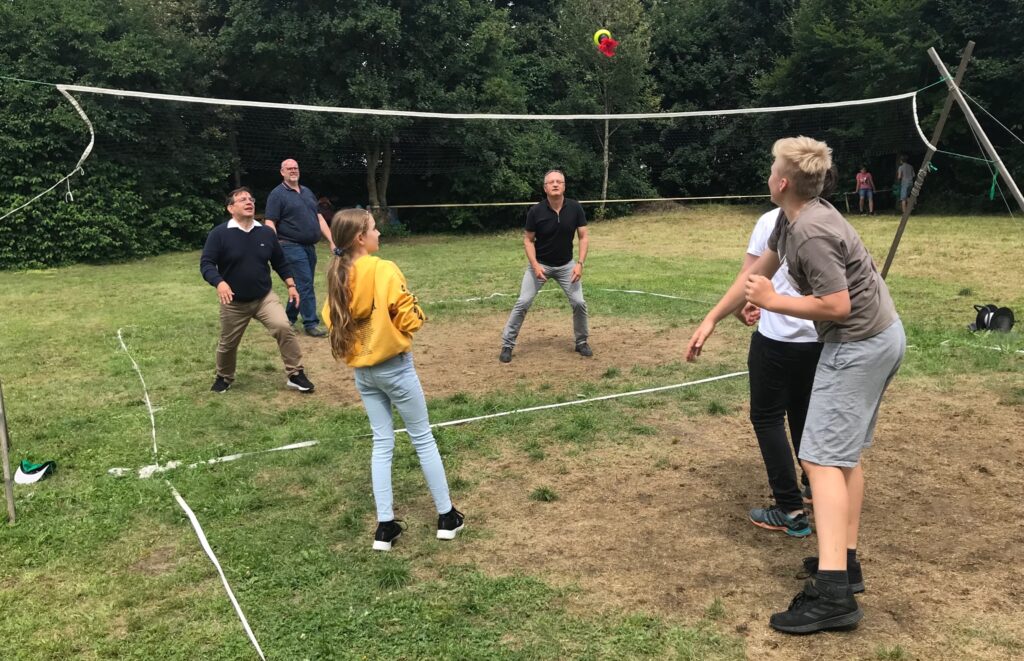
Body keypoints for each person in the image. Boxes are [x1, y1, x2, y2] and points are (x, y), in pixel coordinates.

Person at [685, 136, 905, 634]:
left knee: (821, 458)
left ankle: (833, 597)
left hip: (860, 343)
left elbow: (837, 305)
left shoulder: (810, 231)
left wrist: (774, 302)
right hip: (875, 338)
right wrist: (712, 319)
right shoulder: (792, 219)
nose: (767, 173)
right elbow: (756, 273)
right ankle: (844, 566)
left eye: (771, 167)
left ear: (783, 182)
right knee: (840, 457)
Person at [322, 208, 464, 552]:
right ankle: (447, 516)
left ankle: (385, 525)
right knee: (422, 438)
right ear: (360, 237)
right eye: (374, 229)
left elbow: (330, 318)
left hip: (364, 373)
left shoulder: (338, 274)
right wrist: (413, 321)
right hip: (395, 367)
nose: (379, 234)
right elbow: (406, 313)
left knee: (382, 443)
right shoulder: (382, 268)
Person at [200, 187, 315, 394]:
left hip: (264, 298)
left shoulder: (265, 232)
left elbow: (280, 262)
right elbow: (207, 264)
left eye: (251, 198)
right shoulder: (219, 234)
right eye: (242, 199)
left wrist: (291, 285)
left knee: (283, 327)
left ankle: (296, 374)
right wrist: (220, 282)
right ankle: (224, 377)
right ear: (230, 208)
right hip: (234, 302)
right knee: (228, 343)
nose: (248, 201)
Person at [499, 169, 592, 363]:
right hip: (540, 265)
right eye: (551, 182)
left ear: (564, 186)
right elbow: (528, 240)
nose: (556, 184)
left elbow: (583, 237)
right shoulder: (536, 211)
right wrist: (535, 265)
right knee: (523, 302)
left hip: (567, 266)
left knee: (579, 303)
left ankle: (581, 342)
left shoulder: (575, 208)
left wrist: (580, 264)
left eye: (559, 181)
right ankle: (507, 344)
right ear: (545, 187)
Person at [264, 158, 335, 337]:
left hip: (309, 247)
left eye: (295, 168)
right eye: (289, 168)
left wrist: (332, 241)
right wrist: (274, 247)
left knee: (301, 284)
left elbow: (319, 219)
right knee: (305, 284)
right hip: (289, 245)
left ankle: (288, 318)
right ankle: (310, 323)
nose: (293, 171)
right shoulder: (277, 194)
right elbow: (270, 221)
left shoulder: (307, 192)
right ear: (282, 172)